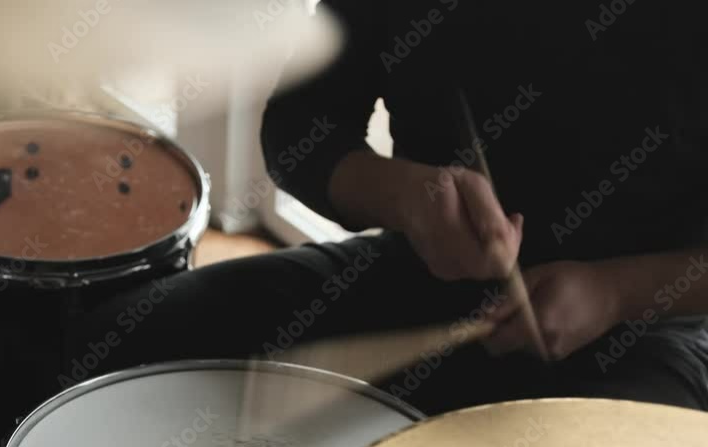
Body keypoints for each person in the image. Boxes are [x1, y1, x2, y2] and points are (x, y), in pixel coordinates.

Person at [70, 0, 708, 414]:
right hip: (419, 276)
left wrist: (615, 292)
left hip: (646, 329)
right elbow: (299, 126)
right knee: (108, 350)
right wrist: (401, 195)